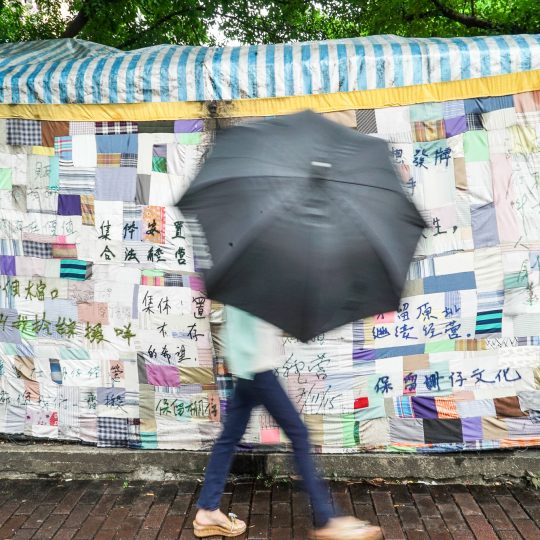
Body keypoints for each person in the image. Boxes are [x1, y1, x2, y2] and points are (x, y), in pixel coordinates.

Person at [193, 305, 382, 539]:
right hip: (258, 369)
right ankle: (327, 519)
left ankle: (207, 509)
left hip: (249, 369)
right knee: (299, 435)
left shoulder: (246, 277)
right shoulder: (255, 276)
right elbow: (254, 325)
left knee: (228, 438)